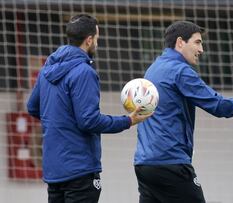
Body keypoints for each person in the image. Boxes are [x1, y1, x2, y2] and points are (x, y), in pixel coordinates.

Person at [134, 21, 233, 203]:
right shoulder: (180, 71)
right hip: (170, 164)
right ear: (180, 42)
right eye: (198, 42)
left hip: (144, 164)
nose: (201, 49)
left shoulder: (153, 69)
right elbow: (218, 106)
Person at [27, 14, 151, 203]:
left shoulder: (47, 70)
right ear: (89, 39)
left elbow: (32, 107)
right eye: (97, 39)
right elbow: (89, 120)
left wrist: (59, 120)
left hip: (54, 169)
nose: (97, 43)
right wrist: (128, 121)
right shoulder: (84, 72)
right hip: (80, 169)